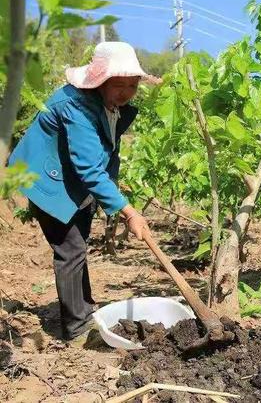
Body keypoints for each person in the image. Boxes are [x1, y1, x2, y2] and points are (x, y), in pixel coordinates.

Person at [8, 42, 160, 341]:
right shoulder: (77, 106)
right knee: (71, 250)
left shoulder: (112, 107)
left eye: (133, 85)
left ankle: (85, 310)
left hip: (73, 181)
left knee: (78, 247)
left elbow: (108, 154)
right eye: (119, 85)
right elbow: (89, 168)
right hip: (46, 180)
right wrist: (128, 211)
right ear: (99, 80)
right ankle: (76, 330)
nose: (126, 92)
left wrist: (112, 193)